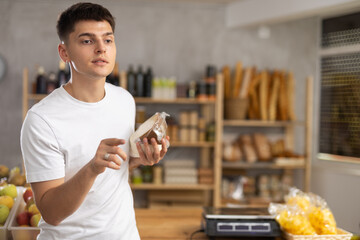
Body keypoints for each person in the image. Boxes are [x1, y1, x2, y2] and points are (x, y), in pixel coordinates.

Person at [20, 2, 168, 239]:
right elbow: (51, 213)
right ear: (64, 52)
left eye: (108, 40)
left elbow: (116, 168)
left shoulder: (124, 100)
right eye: (87, 41)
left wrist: (140, 157)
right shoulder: (42, 120)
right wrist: (91, 168)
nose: (101, 48)